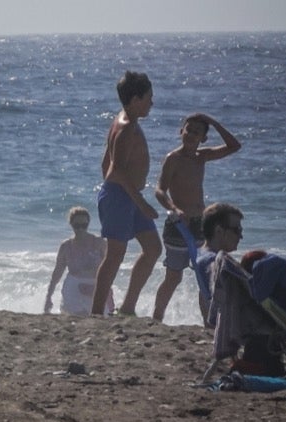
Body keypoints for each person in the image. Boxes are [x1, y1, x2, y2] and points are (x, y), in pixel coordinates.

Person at [151, 113, 241, 321]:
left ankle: (208, 323)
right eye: (188, 130)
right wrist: (174, 208)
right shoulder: (173, 158)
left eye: (197, 132)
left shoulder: (202, 156)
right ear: (181, 131)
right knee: (173, 278)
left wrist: (213, 121)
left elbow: (234, 146)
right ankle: (156, 319)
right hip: (178, 226)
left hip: (201, 225)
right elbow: (159, 190)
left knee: (205, 277)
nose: (191, 135)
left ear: (203, 138)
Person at [91, 70, 161, 316]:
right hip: (122, 196)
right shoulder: (126, 127)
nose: (152, 102)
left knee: (153, 248)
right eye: (148, 97)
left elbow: (105, 163)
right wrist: (141, 203)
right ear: (134, 99)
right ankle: (97, 312)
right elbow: (115, 171)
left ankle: (128, 307)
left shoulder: (124, 120)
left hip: (126, 196)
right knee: (115, 255)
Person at [45, 206, 111, 315]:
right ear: (71, 224)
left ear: (88, 224)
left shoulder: (99, 243)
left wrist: (107, 289)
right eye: (77, 226)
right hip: (74, 286)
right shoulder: (66, 246)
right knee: (73, 316)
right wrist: (49, 297)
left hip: (95, 285)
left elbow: (109, 268)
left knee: (100, 316)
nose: (80, 229)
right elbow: (57, 273)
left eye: (84, 225)